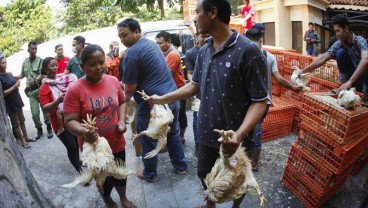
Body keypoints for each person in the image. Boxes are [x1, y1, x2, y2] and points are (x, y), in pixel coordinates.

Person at [144, 0, 268, 207]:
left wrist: (239, 135)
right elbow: (195, 86)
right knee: (204, 173)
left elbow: (260, 101)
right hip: (207, 130)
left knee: (237, 178)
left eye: (198, 12)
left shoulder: (248, 51)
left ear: (212, 13)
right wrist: (162, 99)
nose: (194, 17)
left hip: (235, 135)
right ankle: (210, 204)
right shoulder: (204, 50)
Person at [63, 44, 136, 208]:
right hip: (94, 148)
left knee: (119, 173)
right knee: (103, 178)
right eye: (92, 64)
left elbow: (122, 101)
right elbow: (69, 121)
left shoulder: (113, 81)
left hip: (116, 141)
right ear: (82, 67)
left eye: (101, 62)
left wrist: (122, 120)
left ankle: (123, 198)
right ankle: (107, 199)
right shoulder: (74, 90)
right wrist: (84, 132)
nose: (99, 67)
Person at [117, 18, 187, 182]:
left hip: (152, 104)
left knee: (146, 138)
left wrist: (121, 102)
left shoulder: (132, 53)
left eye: (125, 35)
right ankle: (181, 166)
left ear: (137, 32)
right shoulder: (151, 44)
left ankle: (150, 173)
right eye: (120, 36)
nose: (122, 39)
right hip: (171, 97)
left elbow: (130, 88)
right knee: (173, 133)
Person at [245, 23, 302, 171]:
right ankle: (251, 158)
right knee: (254, 129)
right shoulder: (269, 57)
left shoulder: (244, 54)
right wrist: (294, 88)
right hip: (264, 102)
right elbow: (279, 79)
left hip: (253, 102)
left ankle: (254, 162)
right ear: (261, 40)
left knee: (254, 130)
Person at [300, 14, 368, 94]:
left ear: (346, 28)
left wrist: (350, 81)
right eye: (335, 31)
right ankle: (344, 86)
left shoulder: (360, 41)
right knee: (340, 53)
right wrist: (302, 71)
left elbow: (365, 59)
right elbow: (323, 58)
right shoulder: (340, 42)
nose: (336, 34)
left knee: (363, 92)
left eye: (338, 31)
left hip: (364, 75)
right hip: (354, 74)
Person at [39, 57, 80, 172]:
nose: (55, 67)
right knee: (71, 146)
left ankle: (78, 160)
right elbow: (45, 108)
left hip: (71, 116)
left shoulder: (63, 79)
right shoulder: (44, 87)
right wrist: (57, 101)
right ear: (46, 70)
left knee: (76, 142)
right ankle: (79, 170)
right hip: (59, 122)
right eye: (52, 66)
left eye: (56, 65)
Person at [14, 41, 53, 140]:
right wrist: (12, 76)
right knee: (34, 113)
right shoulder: (25, 62)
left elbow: (43, 73)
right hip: (31, 92)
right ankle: (39, 130)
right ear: (28, 50)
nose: (34, 50)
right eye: (32, 49)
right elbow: (22, 75)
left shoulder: (40, 60)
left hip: (40, 88)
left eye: (36, 49)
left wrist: (35, 80)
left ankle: (49, 129)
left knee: (45, 111)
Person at [155, 31, 188, 144]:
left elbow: (167, 73)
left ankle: (181, 137)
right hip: (172, 89)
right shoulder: (164, 54)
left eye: (161, 43)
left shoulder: (173, 54)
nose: (158, 46)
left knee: (180, 115)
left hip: (179, 89)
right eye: (157, 43)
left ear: (169, 41)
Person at [0, 52, 35, 148]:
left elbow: (14, 83)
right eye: (3, 63)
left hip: (17, 100)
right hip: (10, 103)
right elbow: (2, 93)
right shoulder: (0, 77)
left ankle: (26, 137)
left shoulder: (9, 73)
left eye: (5, 62)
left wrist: (17, 84)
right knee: (16, 124)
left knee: (22, 120)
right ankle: (22, 141)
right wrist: (14, 87)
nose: (5, 64)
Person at [185, 32, 210, 153]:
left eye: (208, 35)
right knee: (196, 118)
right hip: (197, 93)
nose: (206, 38)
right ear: (197, 37)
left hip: (212, 92)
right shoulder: (191, 53)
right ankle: (198, 145)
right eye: (203, 36)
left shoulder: (214, 49)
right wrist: (196, 84)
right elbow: (189, 73)